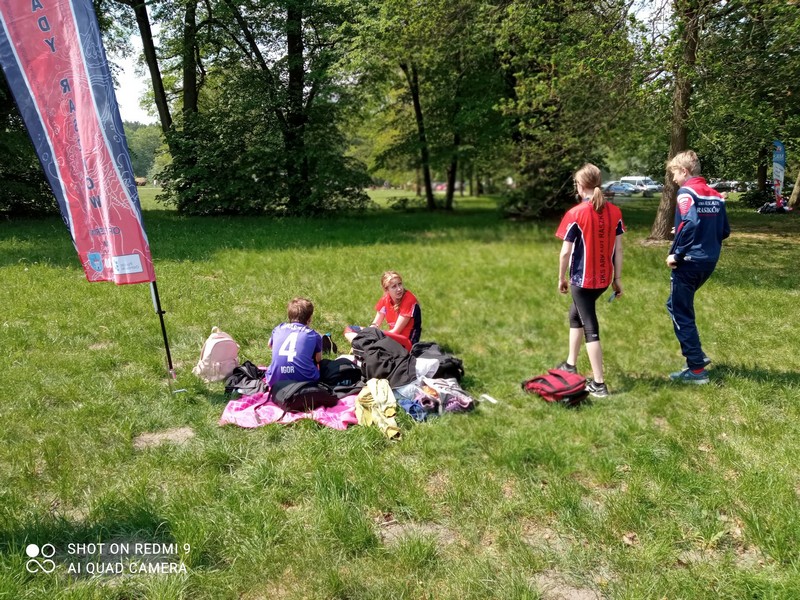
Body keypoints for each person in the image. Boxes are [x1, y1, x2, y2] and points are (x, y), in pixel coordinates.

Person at [555, 163, 625, 398]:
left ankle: (599, 383)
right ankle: (570, 364)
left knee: (590, 326)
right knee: (575, 315)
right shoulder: (615, 211)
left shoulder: (575, 213)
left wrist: (561, 278)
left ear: (580, 185)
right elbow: (619, 250)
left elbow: (565, 253)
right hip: (603, 280)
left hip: (582, 281)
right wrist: (617, 279)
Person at [665, 150, 730, 384]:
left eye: (674, 174)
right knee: (681, 305)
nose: (674, 180)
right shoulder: (715, 195)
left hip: (689, 261)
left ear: (684, 171)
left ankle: (696, 369)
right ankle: (696, 356)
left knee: (678, 309)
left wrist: (677, 253)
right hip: (709, 261)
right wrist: (681, 231)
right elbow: (723, 231)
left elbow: (691, 221)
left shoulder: (686, 192)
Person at [343, 271, 421, 352]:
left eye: (400, 284)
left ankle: (363, 348)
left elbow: (396, 331)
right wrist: (366, 334)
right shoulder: (385, 299)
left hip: (405, 344)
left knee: (372, 335)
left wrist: (371, 336)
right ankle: (362, 347)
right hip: (392, 339)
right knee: (349, 329)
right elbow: (375, 324)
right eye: (394, 286)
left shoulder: (409, 300)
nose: (399, 289)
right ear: (386, 290)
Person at [265, 297, 323, 388]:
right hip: (305, 381)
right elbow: (318, 359)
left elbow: (270, 345)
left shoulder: (278, 329)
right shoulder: (313, 335)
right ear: (309, 319)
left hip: (275, 380)